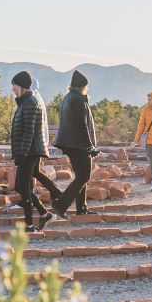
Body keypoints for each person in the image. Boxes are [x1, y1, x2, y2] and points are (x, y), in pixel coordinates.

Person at [10, 70, 59, 230]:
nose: (12, 89)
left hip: (30, 152)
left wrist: (22, 154)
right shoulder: (25, 102)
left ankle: (30, 224)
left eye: (14, 86)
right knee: (21, 187)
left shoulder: (30, 102)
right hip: (28, 151)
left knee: (22, 187)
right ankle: (44, 215)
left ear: (22, 86)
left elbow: (29, 131)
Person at [51, 70, 100, 218]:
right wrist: (89, 145)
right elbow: (82, 124)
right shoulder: (78, 99)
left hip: (72, 143)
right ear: (82, 86)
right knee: (84, 176)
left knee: (80, 176)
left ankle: (82, 208)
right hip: (78, 144)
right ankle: (60, 205)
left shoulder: (68, 97)